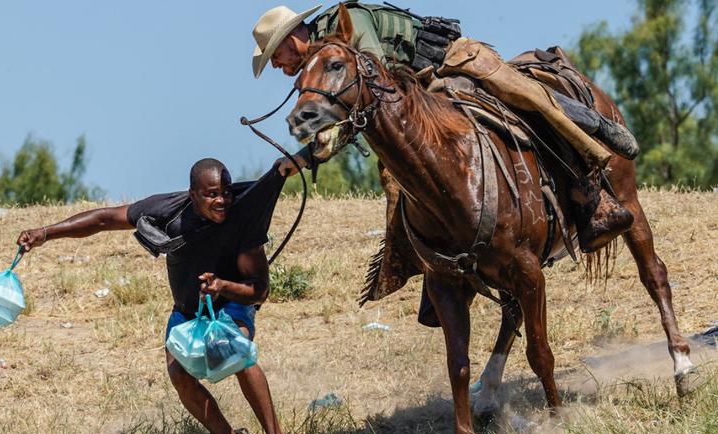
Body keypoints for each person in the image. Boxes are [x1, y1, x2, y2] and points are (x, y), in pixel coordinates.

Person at [250, 3, 639, 298]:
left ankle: (593, 168)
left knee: (526, 100)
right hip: (418, 94)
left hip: (455, 65)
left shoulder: (345, 21)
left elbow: (376, 83)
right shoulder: (320, 63)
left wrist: (317, 147)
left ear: (289, 41)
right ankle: (435, 264)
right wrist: (305, 156)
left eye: (276, 58)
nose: (278, 68)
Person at [16, 155, 305, 434]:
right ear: (193, 194)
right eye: (211, 194)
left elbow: (259, 290)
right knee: (180, 375)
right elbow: (104, 219)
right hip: (187, 311)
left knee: (235, 351)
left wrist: (222, 286)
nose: (222, 200)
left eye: (226, 192)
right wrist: (47, 232)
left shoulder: (243, 218)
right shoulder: (167, 210)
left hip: (232, 303)